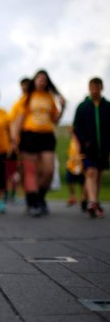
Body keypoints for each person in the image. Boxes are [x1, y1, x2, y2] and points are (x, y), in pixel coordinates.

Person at [10, 70, 66, 217]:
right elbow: (19, 120)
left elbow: (55, 120)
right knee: (30, 171)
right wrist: (15, 139)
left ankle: (40, 198)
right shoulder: (27, 97)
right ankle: (32, 201)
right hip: (29, 135)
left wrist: (63, 107)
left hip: (46, 135)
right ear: (34, 80)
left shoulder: (49, 98)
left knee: (48, 171)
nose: (41, 81)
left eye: (44, 79)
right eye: (39, 78)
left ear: (47, 82)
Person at [73, 77, 110, 218]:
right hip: (88, 148)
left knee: (98, 174)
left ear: (102, 87)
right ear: (89, 88)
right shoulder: (83, 107)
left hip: (103, 148)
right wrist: (82, 143)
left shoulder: (107, 106)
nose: (94, 89)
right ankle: (92, 202)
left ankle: (87, 199)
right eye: (92, 87)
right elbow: (76, 128)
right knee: (91, 172)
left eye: (97, 87)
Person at [5, 78, 30, 204]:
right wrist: (13, 141)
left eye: (26, 86)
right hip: (16, 142)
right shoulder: (18, 103)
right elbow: (11, 122)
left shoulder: (32, 102)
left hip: (29, 141)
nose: (24, 88)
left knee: (24, 169)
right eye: (22, 86)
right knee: (11, 169)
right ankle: (9, 193)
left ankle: (24, 194)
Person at [64, 131, 87, 209]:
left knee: (83, 182)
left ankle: (83, 198)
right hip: (72, 165)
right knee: (69, 180)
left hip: (82, 164)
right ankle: (73, 196)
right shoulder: (72, 142)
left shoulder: (83, 141)